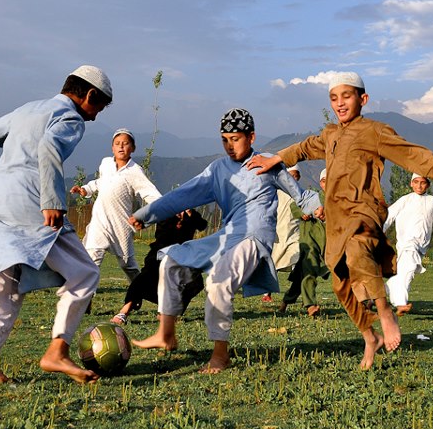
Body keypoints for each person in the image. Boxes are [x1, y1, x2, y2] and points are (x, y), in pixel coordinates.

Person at [248, 72, 433, 369]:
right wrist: (276, 159)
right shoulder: (330, 135)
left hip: (364, 211)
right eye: (334, 98)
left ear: (363, 99)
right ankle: (370, 336)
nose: (340, 103)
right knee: (341, 283)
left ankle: (385, 312)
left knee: (357, 250)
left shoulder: (374, 131)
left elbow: (411, 155)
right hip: (337, 218)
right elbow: (304, 148)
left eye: (347, 96)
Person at [129, 108, 323, 373]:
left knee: (219, 280)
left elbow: (299, 194)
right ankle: (166, 333)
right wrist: (147, 214)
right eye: (224, 140)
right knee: (171, 259)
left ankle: (220, 355)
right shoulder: (218, 170)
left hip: (254, 237)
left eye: (235, 139)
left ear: (251, 136)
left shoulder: (267, 163)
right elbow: (183, 195)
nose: (229, 146)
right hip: (228, 235)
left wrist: (315, 207)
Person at [0, 65, 113, 385]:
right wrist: (52, 201)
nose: (94, 116)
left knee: (6, 285)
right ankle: (57, 351)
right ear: (88, 95)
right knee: (84, 272)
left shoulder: (28, 109)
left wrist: (19, 137)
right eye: (98, 107)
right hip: (31, 204)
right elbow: (49, 148)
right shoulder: (72, 117)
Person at [70, 128, 161, 284]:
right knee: (92, 258)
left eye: (125, 144)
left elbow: (149, 192)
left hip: (120, 225)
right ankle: (86, 298)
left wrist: (168, 206)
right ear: (112, 147)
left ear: (132, 148)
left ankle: (140, 289)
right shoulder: (106, 163)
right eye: (117, 144)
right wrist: (85, 189)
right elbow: (100, 182)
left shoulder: (135, 171)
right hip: (100, 220)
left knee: (128, 264)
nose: (121, 147)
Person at [111, 208, 209, 325]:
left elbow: (203, 225)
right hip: (160, 253)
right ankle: (124, 312)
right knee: (145, 278)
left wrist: (189, 215)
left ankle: (169, 312)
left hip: (182, 256)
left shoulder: (191, 214)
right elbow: (163, 235)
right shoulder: (166, 213)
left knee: (195, 282)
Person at [383, 174, 433, 316]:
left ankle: (375, 295)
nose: (419, 186)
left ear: (428, 185)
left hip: (421, 246)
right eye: (416, 182)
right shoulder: (405, 200)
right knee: (409, 269)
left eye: (423, 183)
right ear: (411, 183)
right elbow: (389, 216)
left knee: (406, 275)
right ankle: (401, 303)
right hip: (407, 243)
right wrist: (379, 232)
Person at [279, 168, 329, 316]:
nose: (328, 184)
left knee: (300, 278)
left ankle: (285, 302)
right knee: (309, 272)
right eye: (325, 181)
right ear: (321, 183)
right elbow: (295, 205)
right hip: (310, 241)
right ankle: (310, 305)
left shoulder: (338, 200)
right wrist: (303, 214)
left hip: (328, 245)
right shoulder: (312, 197)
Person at [262, 165, 303, 303]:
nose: (293, 178)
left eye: (296, 175)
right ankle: (267, 293)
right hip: (278, 234)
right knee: (274, 263)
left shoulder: (301, 194)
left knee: (299, 260)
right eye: (290, 175)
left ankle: (295, 291)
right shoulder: (277, 193)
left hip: (294, 233)